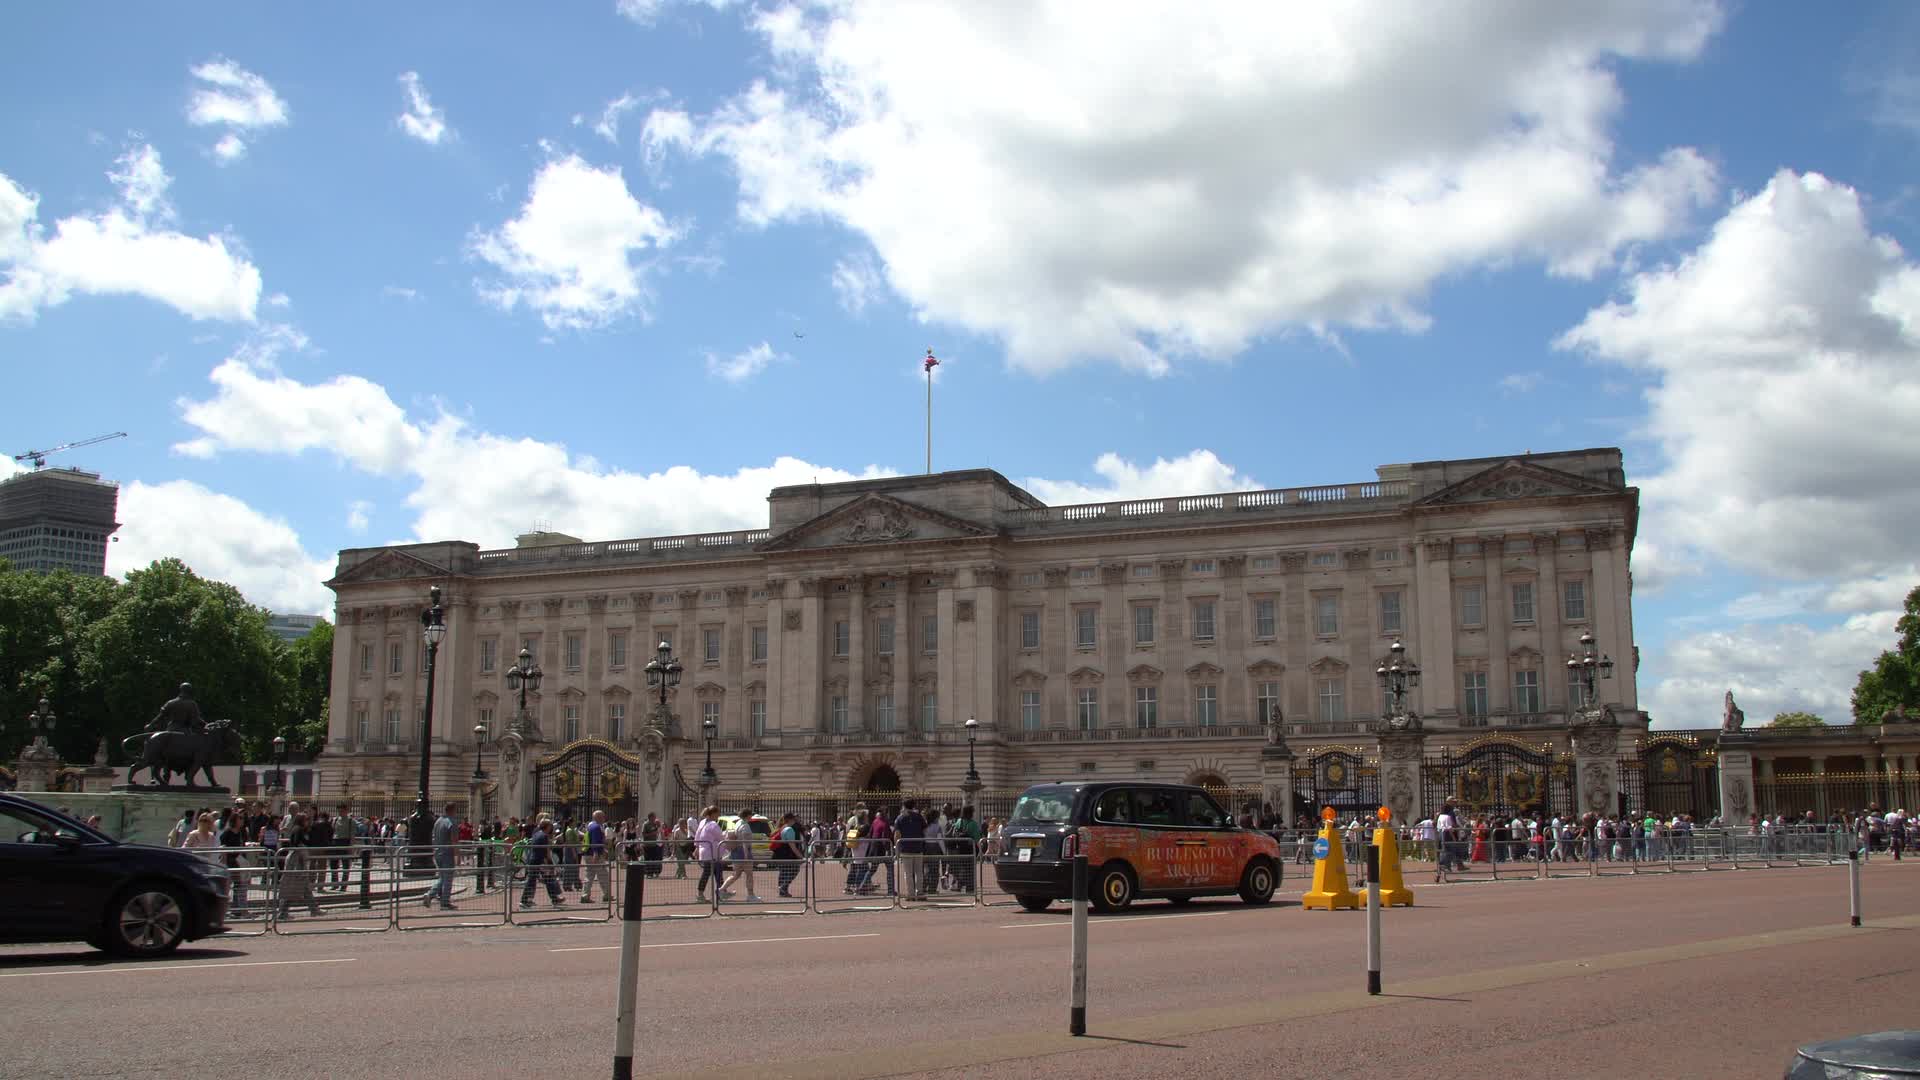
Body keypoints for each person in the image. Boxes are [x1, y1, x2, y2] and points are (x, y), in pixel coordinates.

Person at [519, 816, 566, 908]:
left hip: (535, 859)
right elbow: (547, 851)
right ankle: (524, 900)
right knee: (535, 880)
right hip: (540, 861)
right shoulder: (544, 836)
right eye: (550, 826)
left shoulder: (536, 833)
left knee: (546, 880)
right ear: (548, 826)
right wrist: (550, 863)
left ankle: (554, 898)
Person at [421, 802, 458, 910]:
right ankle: (445, 902)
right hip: (447, 853)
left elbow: (433, 837)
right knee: (448, 879)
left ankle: (430, 894)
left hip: (438, 853)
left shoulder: (438, 821)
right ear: (452, 810)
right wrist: (457, 855)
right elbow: (454, 840)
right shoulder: (451, 822)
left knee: (443, 877)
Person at [719, 809, 760, 902]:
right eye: (750, 815)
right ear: (747, 815)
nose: (751, 817)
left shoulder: (738, 823)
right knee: (749, 874)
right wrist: (746, 855)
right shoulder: (745, 826)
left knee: (736, 874)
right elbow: (745, 842)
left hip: (736, 852)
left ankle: (721, 890)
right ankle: (751, 895)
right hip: (743, 852)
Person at [694, 806, 726, 901]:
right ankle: (719, 893)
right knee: (715, 872)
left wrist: (696, 847)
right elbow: (720, 837)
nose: (718, 815)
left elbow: (697, 836)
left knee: (714, 872)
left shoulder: (703, 822)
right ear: (713, 814)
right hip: (712, 852)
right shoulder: (713, 824)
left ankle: (720, 892)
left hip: (705, 851)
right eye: (717, 813)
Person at [581, 810, 612, 903]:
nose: (604, 818)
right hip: (594, 855)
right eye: (603, 816)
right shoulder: (596, 827)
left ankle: (585, 895)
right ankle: (607, 895)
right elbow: (595, 841)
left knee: (589, 875)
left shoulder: (590, 826)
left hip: (588, 854)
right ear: (598, 817)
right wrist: (596, 853)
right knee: (603, 875)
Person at [771, 812, 804, 898]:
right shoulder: (789, 829)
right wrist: (800, 856)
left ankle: (782, 890)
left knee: (783, 872)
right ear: (790, 820)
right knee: (794, 870)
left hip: (780, 854)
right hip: (787, 854)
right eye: (793, 819)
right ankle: (783, 887)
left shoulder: (782, 828)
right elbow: (792, 846)